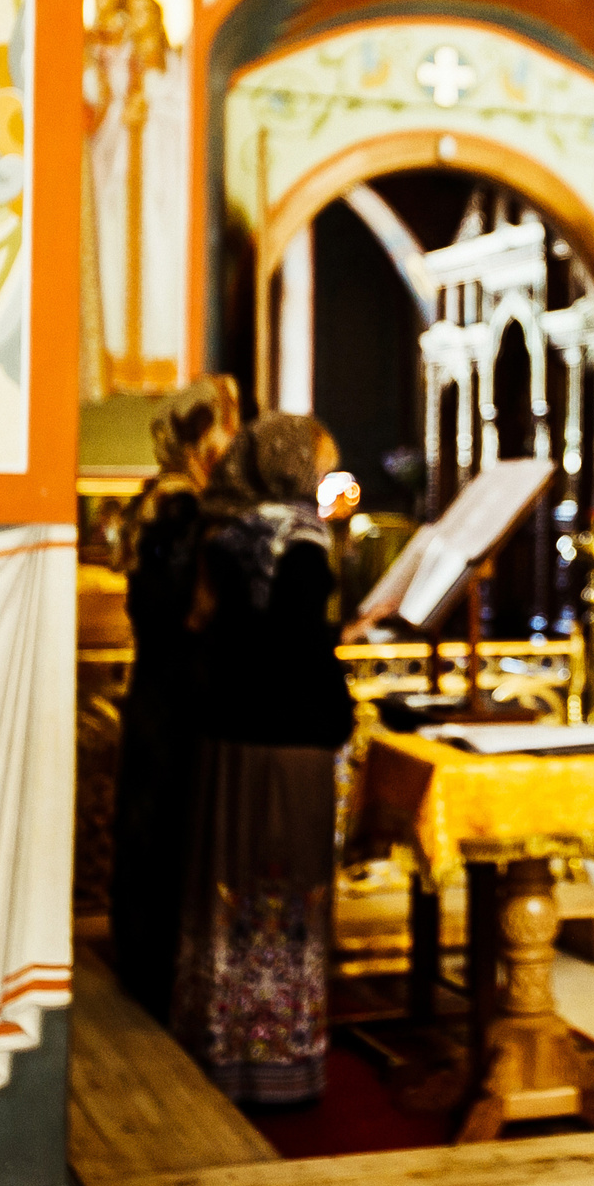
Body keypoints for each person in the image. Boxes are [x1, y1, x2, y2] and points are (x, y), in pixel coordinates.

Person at [170, 413, 358, 1105]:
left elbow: (244, 637)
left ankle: (221, 1040)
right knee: (284, 897)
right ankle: (277, 1060)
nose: (327, 473)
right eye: (321, 461)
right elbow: (298, 652)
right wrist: (344, 675)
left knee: (232, 893)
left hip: (228, 737)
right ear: (293, 466)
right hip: (287, 742)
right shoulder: (300, 540)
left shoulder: (231, 530)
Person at [110, 377, 241, 1023]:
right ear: (199, 442)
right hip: (179, 687)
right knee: (169, 829)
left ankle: (143, 961)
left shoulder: (156, 499)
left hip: (155, 683)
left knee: (149, 825)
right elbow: (185, 609)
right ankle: (159, 973)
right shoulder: (183, 511)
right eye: (225, 433)